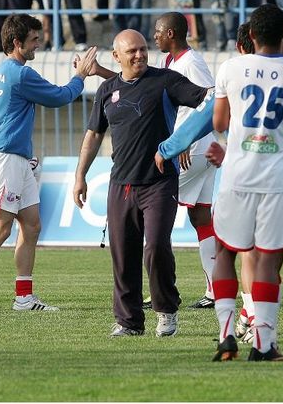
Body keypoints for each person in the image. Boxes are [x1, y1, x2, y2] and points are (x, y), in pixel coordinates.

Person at [210, 4, 283, 361]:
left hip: (236, 174)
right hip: (277, 179)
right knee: (266, 258)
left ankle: (226, 336)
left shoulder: (230, 67)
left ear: (249, 36)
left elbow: (218, 121)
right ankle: (263, 345)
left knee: (226, 252)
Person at [74, 29, 210, 337]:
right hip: (121, 184)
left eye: (143, 49)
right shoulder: (108, 90)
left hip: (159, 182)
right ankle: (129, 322)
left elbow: (208, 100)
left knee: (157, 247)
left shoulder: (166, 80)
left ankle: (166, 311)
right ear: (116, 56)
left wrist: (184, 138)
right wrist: (80, 175)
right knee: (123, 254)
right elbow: (94, 134)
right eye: (132, 51)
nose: (139, 55)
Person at [0, 13, 97, 313]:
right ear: (17, 42)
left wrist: (11, 146)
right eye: (34, 39)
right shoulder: (21, 73)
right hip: (6, 161)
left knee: (31, 226)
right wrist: (81, 76)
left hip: (14, 159)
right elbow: (61, 97)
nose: (39, 44)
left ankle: (23, 297)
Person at [151, 12, 217, 309]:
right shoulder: (171, 63)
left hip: (194, 150)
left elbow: (210, 98)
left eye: (158, 32)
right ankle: (216, 290)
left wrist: (185, 139)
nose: (155, 36)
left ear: (172, 34)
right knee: (201, 217)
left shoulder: (191, 62)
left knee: (154, 212)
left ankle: (161, 292)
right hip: (202, 149)